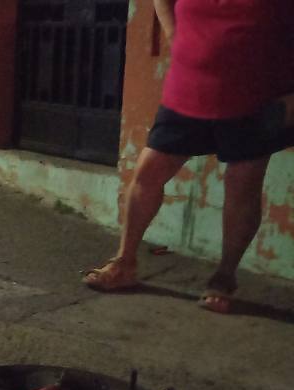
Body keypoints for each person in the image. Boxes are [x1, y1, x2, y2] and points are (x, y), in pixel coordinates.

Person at [82, 0, 293, 313]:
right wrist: (173, 34)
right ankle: (124, 262)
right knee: (148, 173)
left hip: (259, 92)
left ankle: (224, 277)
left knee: (242, 184)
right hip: (189, 84)